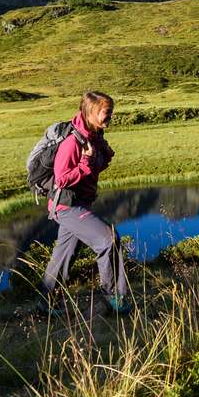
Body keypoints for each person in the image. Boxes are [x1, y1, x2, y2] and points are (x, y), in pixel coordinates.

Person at [41, 90, 130, 314]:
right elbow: (61, 179)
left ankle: (46, 304)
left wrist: (103, 157)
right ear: (90, 113)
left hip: (79, 204)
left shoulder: (94, 136)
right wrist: (87, 162)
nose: (110, 117)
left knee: (63, 256)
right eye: (106, 113)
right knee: (109, 240)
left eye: (111, 112)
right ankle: (113, 299)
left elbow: (90, 172)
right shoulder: (73, 142)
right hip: (67, 207)